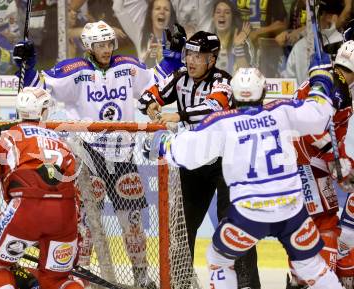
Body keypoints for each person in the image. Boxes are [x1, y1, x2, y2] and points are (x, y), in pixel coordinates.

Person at [13, 19, 185, 288]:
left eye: (109, 43)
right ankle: (83, 276)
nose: (106, 49)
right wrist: (28, 65)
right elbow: (37, 90)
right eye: (100, 45)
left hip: (124, 158)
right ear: (88, 46)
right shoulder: (73, 70)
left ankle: (141, 276)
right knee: (86, 224)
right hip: (87, 158)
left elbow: (156, 82)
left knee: (134, 223)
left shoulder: (128, 66)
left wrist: (173, 59)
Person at [144, 61, 345, 289]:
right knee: (312, 267)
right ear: (264, 92)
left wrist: (162, 144)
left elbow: (186, 152)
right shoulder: (283, 111)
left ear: (234, 95)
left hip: (250, 214)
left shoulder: (223, 123)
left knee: (218, 260)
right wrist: (320, 79)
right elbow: (319, 114)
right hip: (291, 212)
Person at [138, 31, 260, 289]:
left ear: (212, 60)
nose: (191, 60)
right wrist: (150, 105)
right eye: (189, 54)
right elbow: (146, 96)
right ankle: (180, 283)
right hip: (194, 162)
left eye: (199, 56)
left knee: (234, 227)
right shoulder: (180, 77)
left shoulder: (223, 81)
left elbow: (212, 109)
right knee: (181, 228)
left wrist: (177, 115)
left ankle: (248, 285)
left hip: (226, 164)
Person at [0, 86, 84, 289]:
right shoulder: (62, 142)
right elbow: (75, 192)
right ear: (43, 111)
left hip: (26, 209)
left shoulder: (9, 136)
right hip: (64, 215)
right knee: (58, 279)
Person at [286, 37, 354, 288]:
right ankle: (312, 280)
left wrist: (343, 166)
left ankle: (301, 279)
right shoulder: (323, 83)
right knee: (321, 223)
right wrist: (334, 158)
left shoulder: (343, 94)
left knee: (321, 221)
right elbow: (305, 126)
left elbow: (339, 139)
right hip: (299, 159)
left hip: (309, 161)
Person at [283, 0, 343, 84]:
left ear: (332, 17)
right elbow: (287, 82)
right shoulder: (300, 47)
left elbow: (287, 84)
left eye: (321, 13)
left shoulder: (343, 45)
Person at [113, 0, 177, 67]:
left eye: (166, 9)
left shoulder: (177, 42)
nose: (162, 12)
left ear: (170, 16)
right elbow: (117, 8)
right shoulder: (140, 35)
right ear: (151, 13)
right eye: (157, 8)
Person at [211, 0, 252, 74]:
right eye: (218, 12)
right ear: (213, 17)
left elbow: (247, 75)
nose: (222, 15)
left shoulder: (243, 42)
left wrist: (238, 47)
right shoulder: (207, 43)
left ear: (232, 18)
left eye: (227, 12)